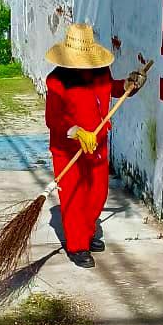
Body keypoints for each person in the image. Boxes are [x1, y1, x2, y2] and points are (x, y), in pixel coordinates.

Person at [44, 23, 146, 268]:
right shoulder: (57, 81)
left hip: (97, 144)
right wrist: (76, 131)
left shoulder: (100, 72)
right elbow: (53, 118)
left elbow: (112, 89)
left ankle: (87, 232)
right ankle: (77, 245)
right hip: (68, 149)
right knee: (74, 196)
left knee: (97, 193)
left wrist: (129, 85)